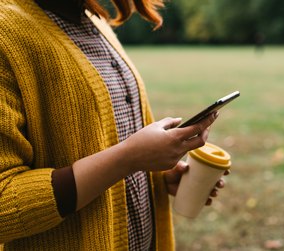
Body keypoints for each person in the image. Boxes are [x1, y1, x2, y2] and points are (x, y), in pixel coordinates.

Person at [0, 0, 229, 250]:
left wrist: (154, 176)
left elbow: (104, 147)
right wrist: (127, 158)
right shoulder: (5, 30)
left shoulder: (95, 21)